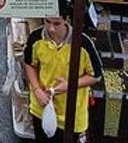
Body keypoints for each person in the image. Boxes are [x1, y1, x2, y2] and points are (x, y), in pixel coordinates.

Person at [23, 15, 101, 143]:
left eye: (57, 23)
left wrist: (70, 85)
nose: (51, 28)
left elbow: (96, 76)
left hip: (71, 114)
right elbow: (29, 64)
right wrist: (37, 90)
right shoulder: (36, 38)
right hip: (42, 107)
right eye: (47, 22)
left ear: (67, 20)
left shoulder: (83, 43)